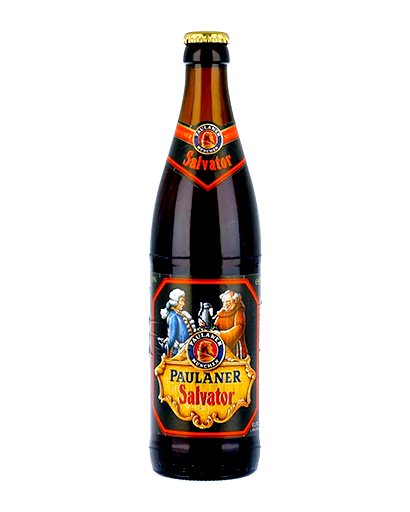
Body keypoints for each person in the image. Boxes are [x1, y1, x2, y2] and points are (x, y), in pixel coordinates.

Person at [159, 289, 196, 357]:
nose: (183, 304)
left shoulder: (179, 314)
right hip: (179, 352)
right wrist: (168, 348)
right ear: (175, 302)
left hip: (187, 348)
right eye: (181, 301)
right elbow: (172, 338)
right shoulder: (173, 316)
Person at [213, 290, 248, 358]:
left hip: (235, 350)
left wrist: (221, 334)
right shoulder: (221, 313)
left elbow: (239, 328)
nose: (225, 304)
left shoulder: (239, 311)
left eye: (228, 301)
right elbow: (215, 326)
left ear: (234, 301)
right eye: (224, 302)